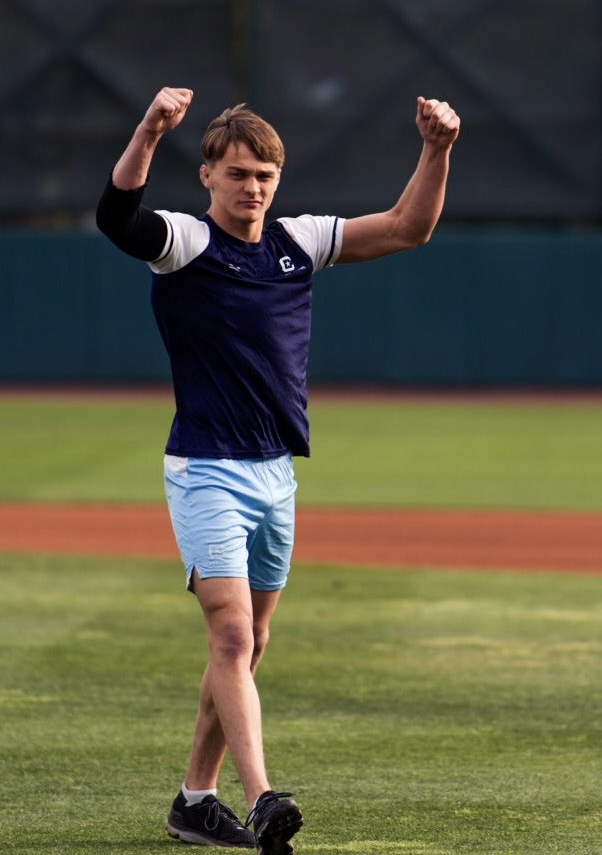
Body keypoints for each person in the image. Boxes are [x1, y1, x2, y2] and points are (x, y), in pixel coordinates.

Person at [96, 87, 461, 854]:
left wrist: (437, 149)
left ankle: (195, 800)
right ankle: (262, 798)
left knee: (253, 642)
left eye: (264, 173)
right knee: (230, 637)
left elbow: (408, 228)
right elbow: (116, 219)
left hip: (275, 474)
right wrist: (151, 130)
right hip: (207, 469)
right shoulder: (187, 244)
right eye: (237, 173)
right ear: (208, 178)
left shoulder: (297, 242)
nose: (252, 186)